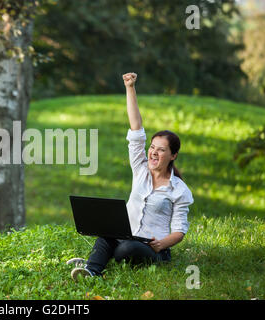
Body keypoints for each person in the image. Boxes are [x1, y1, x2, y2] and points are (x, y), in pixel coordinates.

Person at [68, 72, 194, 280]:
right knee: (108, 235)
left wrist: (162, 244)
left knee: (125, 250)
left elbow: (180, 230)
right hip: (126, 236)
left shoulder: (179, 190)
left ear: (173, 155)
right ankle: (91, 270)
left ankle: (97, 260)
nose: (153, 152)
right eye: (152, 147)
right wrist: (130, 88)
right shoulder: (140, 168)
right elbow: (136, 130)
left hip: (154, 249)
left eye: (161, 150)